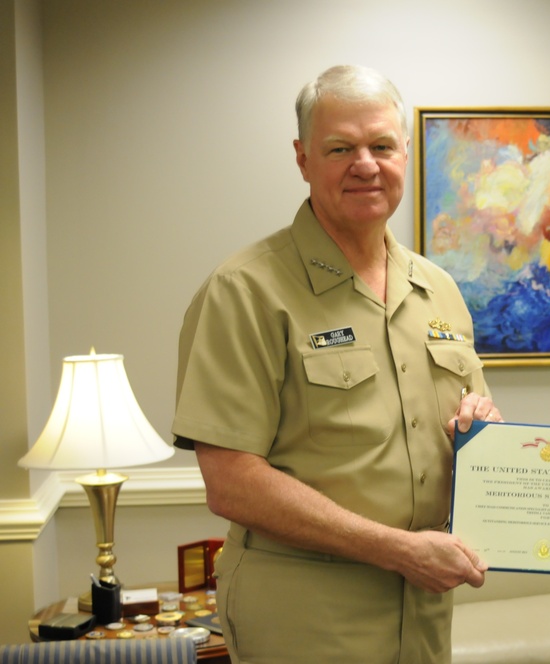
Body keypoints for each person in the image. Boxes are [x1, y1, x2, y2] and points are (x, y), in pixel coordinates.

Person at [171, 64, 502, 664]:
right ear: (302, 159)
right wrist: (397, 549)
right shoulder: (246, 290)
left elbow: (466, 431)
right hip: (305, 614)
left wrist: (482, 431)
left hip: (423, 611)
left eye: (381, 145)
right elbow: (232, 482)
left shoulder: (439, 289)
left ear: (405, 150)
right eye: (340, 148)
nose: (366, 164)